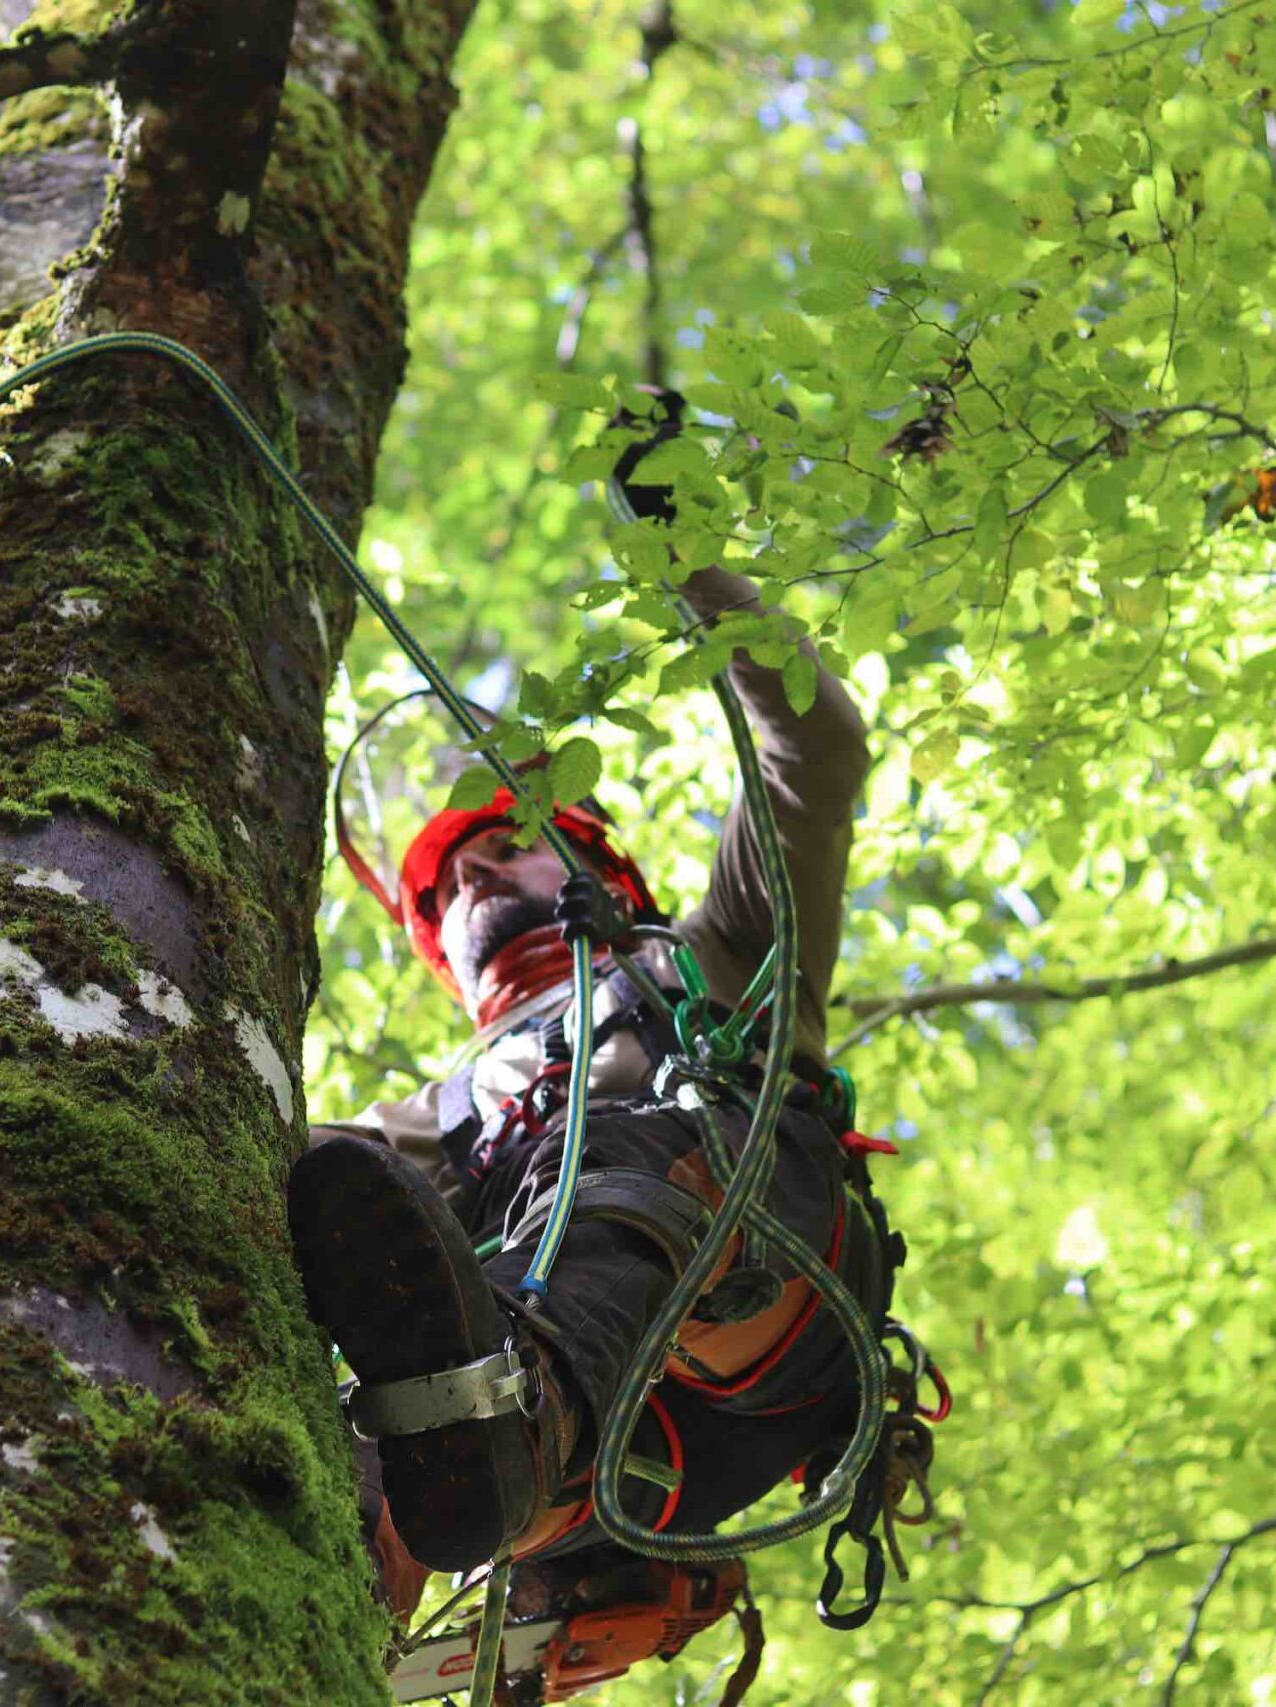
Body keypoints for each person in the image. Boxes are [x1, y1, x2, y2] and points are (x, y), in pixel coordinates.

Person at [289, 395, 888, 1606]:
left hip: (757, 1296)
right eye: (446, 886)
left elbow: (812, 753)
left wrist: (683, 554)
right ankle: (331, 1575)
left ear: (597, 870)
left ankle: (524, 1407)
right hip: (585, 1473)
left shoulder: (708, 951)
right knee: (325, 1216)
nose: (471, 879)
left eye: (504, 844)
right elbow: (252, 1179)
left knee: (633, 1147)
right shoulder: (431, 1116)